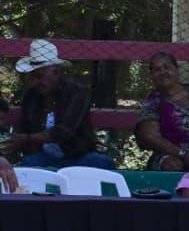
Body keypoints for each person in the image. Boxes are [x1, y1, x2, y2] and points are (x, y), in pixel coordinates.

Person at [1, 40, 115, 170]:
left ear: (56, 72)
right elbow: (24, 127)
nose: (35, 82)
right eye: (32, 78)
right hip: (44, 157)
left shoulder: (76, 92)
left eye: (40, 77)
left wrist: (26, 138)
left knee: (103, 163)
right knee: (29, 163)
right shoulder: (31, 95)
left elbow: (64, 131)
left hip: (78, 156)